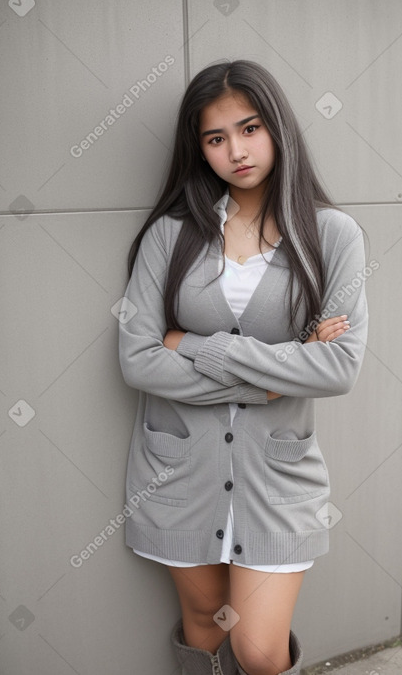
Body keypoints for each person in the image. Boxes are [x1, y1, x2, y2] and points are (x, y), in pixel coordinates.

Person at [118, 59, 369, 675]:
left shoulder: (332, 236)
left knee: (257, 648)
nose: (237, 150)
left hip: (278, 481)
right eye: (215, 137)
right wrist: (280, 372)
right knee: (204, 624)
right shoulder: (170, 236)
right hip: (176, 474)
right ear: (198, 149)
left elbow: (337, 367)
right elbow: (139, 359)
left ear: (278, 129)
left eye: (250, 128)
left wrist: (200, 343)